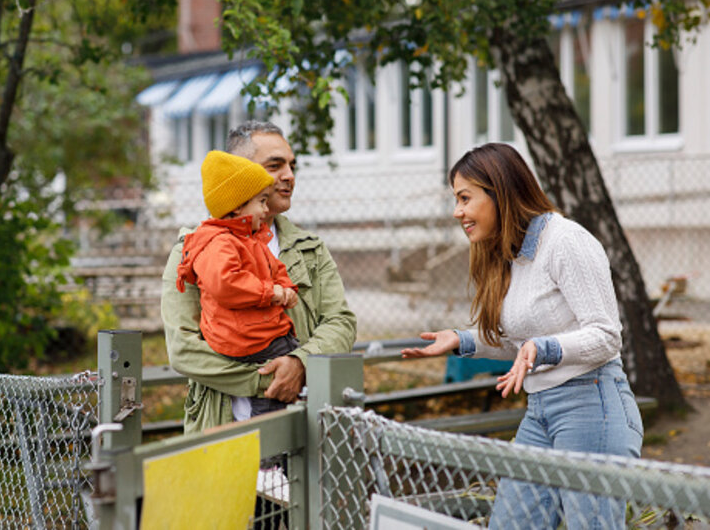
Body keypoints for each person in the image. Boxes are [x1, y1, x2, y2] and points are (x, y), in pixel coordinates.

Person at [401, 143, 643, 529]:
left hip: (592, 404)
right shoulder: (510, 256)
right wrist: (462, 341)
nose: (457, 211)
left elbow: (607, 336)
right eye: (455, 200)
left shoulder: (565, 242)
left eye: (465, 198)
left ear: (498, 191)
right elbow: (522, 346)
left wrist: (542, 348)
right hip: (541, 410)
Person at [162, 120, 357, 434]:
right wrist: (269, 380)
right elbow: (184, 350)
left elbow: (341, 322)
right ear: (240, 174)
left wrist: (299, 363)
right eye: (275, 165)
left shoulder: (310, 248)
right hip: (221, 426)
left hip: (308, 425)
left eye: (292, 166)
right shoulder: (195, 249)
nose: (289, 176)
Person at [174, 150, 301, 417]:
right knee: (274, 395)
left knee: (297, 361)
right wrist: (271, 293)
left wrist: (286, 287)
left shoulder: (250, 238)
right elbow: (226, 283)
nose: (266, 209)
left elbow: (274, 268)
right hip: (243, 337)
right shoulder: (218, 242)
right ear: (238, 205)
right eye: (262, 201)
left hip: (259, 332)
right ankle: (271, 455)